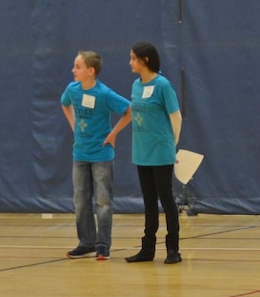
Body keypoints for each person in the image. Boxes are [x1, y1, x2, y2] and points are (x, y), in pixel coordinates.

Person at [61, 50, 132, 261]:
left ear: (91, 71)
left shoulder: (104, 94)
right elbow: (65, 104)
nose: (73, 70)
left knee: (103, 201)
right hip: (80, 154)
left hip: (101, 155)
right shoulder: (72, 90)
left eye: (78, 66)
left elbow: (129, 110)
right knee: (81, 201)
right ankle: (86, 242)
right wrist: (74, 125)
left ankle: (103, 245)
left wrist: (112, 134)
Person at [125, 41, 183, 265]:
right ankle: (147, 249)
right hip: (142, 152)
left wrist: (172, 145)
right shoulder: (136, 85)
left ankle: (173, 249)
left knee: (166, 199)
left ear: (145, 60)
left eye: (133, 58)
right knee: (149, 201)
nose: (130, 63)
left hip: (160, 152)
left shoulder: (163, 85)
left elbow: (176, 118)